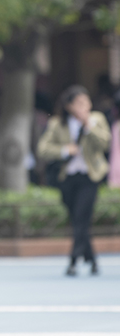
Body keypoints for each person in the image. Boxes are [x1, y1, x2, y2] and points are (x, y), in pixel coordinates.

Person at [37, 85, 111, 276]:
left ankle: (73, 260)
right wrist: (64, 150)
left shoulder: (97, 120)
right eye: (79, 103)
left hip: (89, 177)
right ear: (69, 106)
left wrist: (89, 125)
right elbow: (43, 148)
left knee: (81, 218)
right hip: (67, 177)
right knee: (78, 220)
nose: (83, 107)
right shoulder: (58, 124)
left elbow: (105, 143)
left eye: (86, 102)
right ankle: (92, 259)